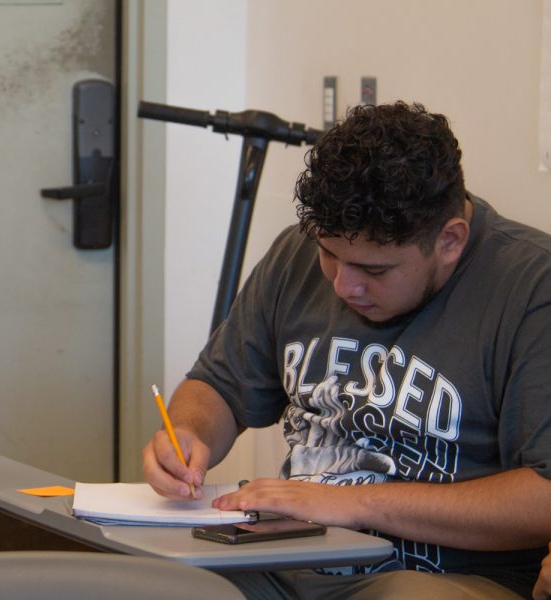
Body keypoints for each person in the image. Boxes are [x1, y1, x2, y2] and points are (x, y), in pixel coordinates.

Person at [143, 102, 551, 598]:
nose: (343, 285)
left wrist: (357, 503)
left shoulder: (531, 288)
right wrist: (189, 432)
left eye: (374, 271)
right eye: (328, 255)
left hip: (444, 581)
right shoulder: (294, 254)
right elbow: (218, 388)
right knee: (153, 582)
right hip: (286, 557)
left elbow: (542, 497)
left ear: (449, 241)